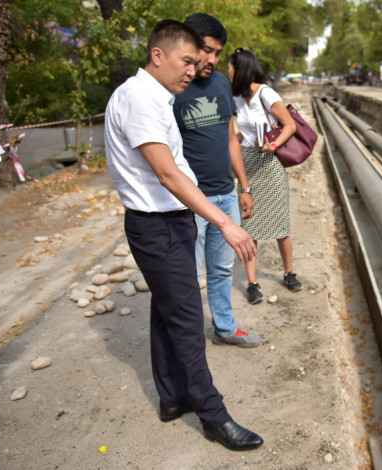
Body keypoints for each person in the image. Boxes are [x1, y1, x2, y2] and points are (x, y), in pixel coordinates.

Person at [104, 19, 262, 452]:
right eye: (186, 61)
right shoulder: (139, 98)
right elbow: (168, 174)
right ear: (158, 55)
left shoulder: (156, 96)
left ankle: (173, 397)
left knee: (166, 310)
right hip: (158, 225)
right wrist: (226, 222)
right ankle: (214, 416)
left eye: (198, 61)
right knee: (189, 321)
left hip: (168, 221)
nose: (193, 70)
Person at [174, 13, 259, 348]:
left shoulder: (222, 84)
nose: (211, 59)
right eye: (206, 50)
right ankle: (189, 342)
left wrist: (244, 186)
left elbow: (231, 139)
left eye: (217, 53)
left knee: (223, 269)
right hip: (191, 201)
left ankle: (225, 328)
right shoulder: (173, 88)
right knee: (191, 276)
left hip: (226, 194)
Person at [227, 48, 301, 304]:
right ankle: (252, 283)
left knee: (280, 224)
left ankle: (289, 272)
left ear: (241, 68)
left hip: (270, 162)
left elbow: (290, 125)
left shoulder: (266, 93)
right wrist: (231, 143)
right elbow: (243, 134)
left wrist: (274, 145)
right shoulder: (237, 98)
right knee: (250, 226)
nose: (228, 71)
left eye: (230, 67)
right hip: (247, 163)